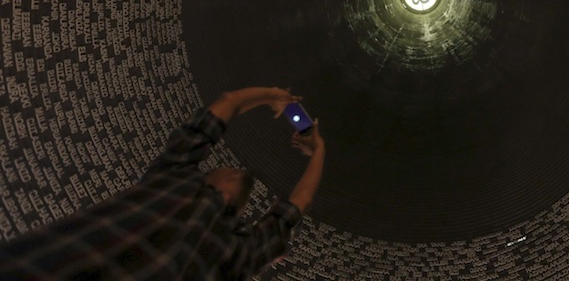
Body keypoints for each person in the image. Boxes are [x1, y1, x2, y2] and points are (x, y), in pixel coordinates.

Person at [0, 86, 326, 280]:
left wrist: (280, 101)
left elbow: (226, 103)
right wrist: (314, 144)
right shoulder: (237, 251)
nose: (233, 171)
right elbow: (299, 202)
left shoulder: (176, 176)